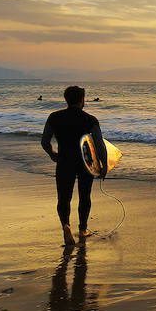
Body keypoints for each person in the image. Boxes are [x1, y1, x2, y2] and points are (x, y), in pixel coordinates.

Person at [41, 85, 108, 246]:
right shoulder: (90, 119)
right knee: (85, 196)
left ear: (66, 99)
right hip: (86, 163)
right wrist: (104, 164)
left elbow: (44, 141)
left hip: (64, 161)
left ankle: (66, 225)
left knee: (64, 198)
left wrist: (52, 154)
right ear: (82, 99)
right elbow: (99, 144)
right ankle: (83, 229)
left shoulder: (54, 117)